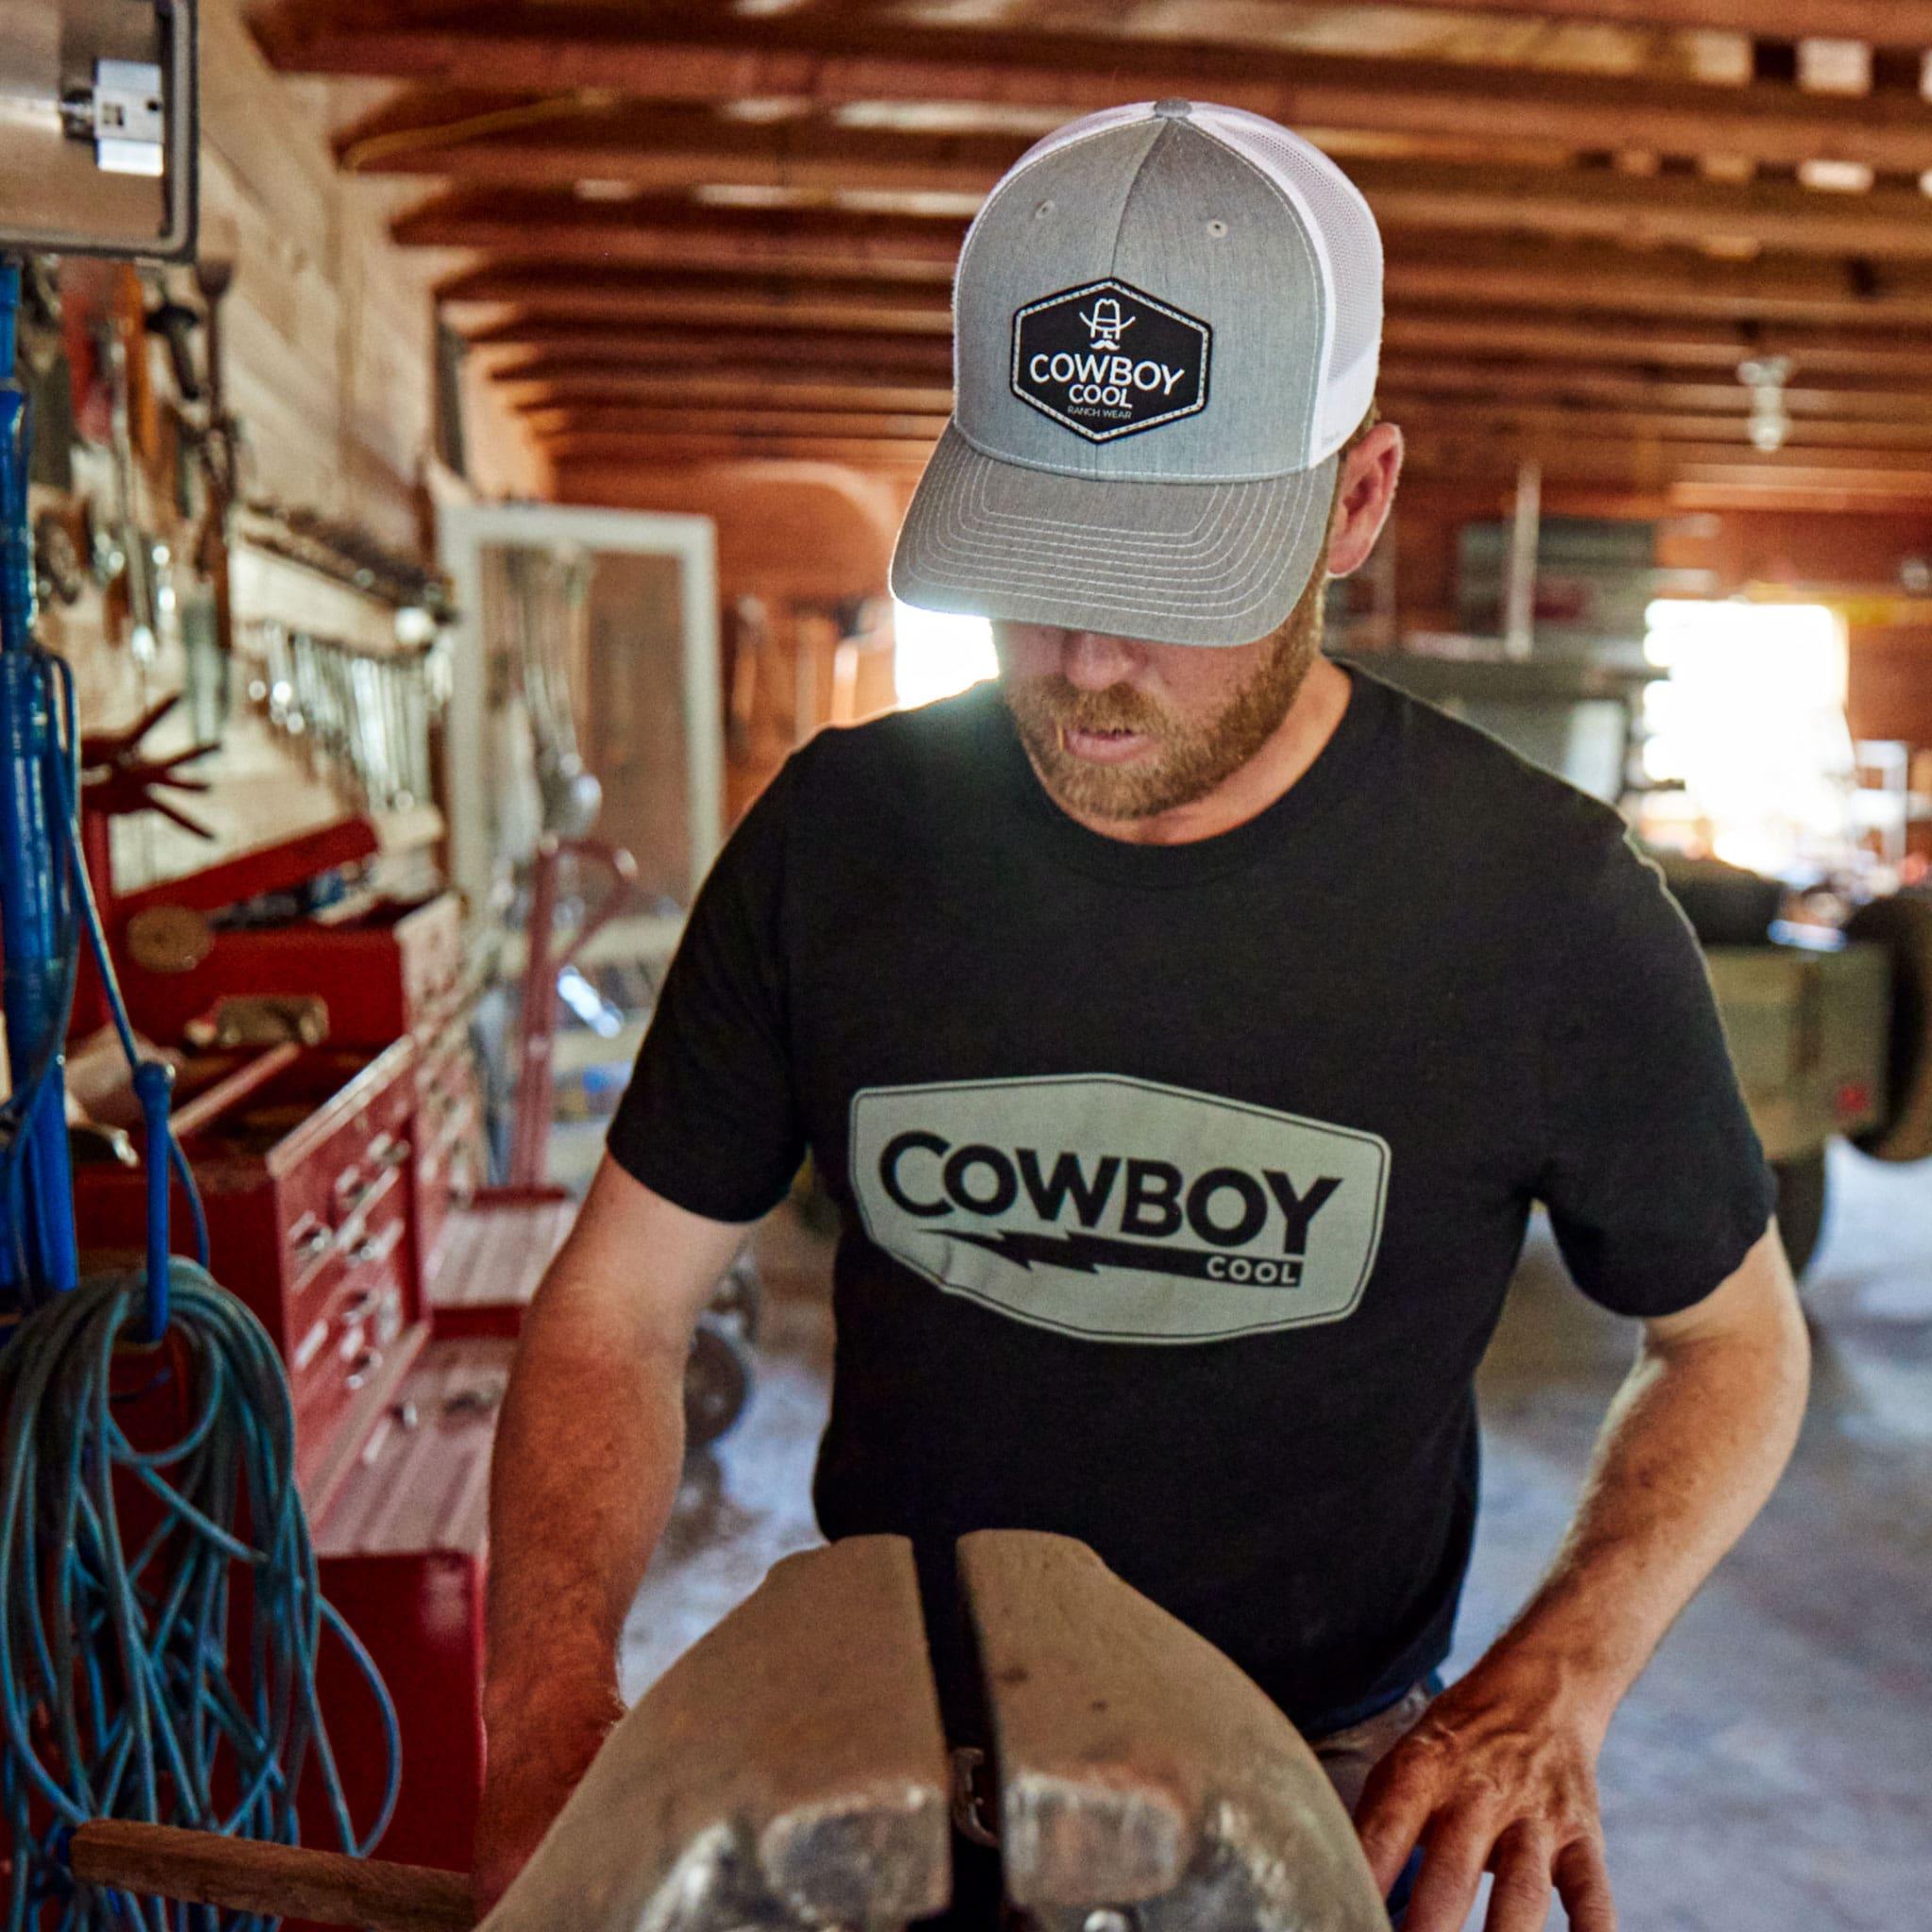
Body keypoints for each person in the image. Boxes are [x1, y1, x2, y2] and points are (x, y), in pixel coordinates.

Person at [475, 102, 1811, 1932]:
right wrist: (547, 1715)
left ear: (1355, 501)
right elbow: (618, 1310)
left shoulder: (1542, 906)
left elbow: (1737, 1345)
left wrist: (1561, 1670)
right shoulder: (839, 840)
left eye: (1169, 581)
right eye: (1039, 566)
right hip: (886, 1730)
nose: (1090, 659)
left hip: (1322, 1767)